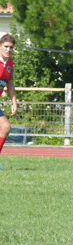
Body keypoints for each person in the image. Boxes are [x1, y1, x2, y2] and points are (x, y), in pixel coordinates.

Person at [0, 34, 17, 162]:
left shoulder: (10, 63)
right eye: (6, 46)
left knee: (6, 127)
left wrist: (14, 102)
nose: (8, 50)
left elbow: (10, 84)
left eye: (11, 47)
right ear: (0, 46)